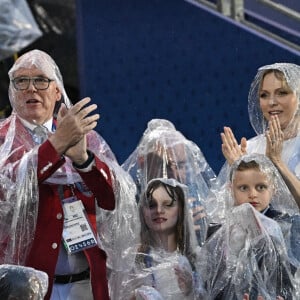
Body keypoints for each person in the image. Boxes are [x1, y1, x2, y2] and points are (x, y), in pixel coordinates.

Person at [0, 49, 139, 300]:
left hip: (86, 284)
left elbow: (114, 199)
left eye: (41, 80)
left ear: (56, 91)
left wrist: (83, 160)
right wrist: (56, 145)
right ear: (12, 92)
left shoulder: (86, 137)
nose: (31, 88)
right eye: (21, 81)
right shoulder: (2, 140)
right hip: (28, 288)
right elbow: (8, 191)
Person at [198, 154, 299, 300]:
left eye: (261, 187)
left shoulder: (285, 226)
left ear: (274, 188)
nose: (252, 194)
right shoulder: (217, 230)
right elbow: (211, 283)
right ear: (230, 189)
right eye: (243, 188)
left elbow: (290, 281)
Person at [122, 119, 217, 246]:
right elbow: (123, 252)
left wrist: (202, 232)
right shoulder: (128, 201)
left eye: (181, 165)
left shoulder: (196, 200)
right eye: (165, 166)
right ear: (143, 163)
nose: (175, 174)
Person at [220, 63, 300, 208]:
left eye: (282, 93)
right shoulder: (248, 150)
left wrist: (277, 162)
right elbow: (222, 214)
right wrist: (240, 174)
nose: (271, 102)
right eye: (264, 95)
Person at [119, 178, 204, 300]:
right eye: (151, 205)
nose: (159, 210)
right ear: (142, 211)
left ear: (181, 210)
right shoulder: (132, 263)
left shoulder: (199, 258)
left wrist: (191, 291)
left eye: (168, 204)